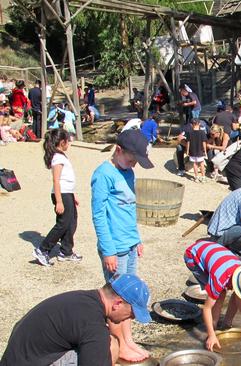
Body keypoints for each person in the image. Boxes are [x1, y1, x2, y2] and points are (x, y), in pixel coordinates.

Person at [91, 129, 154, 363]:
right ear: (118, 150)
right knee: (117, 299)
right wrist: (108, 250)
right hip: (114, 248)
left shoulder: (128, 173)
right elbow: (98, 215)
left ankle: (128, 341)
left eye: (136, 161)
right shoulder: (103, 174)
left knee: (129, 299)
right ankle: (120, 344)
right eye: (130, 159)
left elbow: (129, 209)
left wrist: (137, 238)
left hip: (129, 244)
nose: (133, 164)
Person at [0, 274, 152, 366]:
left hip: (18, 359)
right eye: (132, 313)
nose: (132, 318)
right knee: (110, 347)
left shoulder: (82, 298)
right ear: (117, 303)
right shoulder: (93, 326)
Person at [184, 240, 241, 351]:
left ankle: (226, 323)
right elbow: (206, 308)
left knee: (222, 293)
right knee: (219, 293)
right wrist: (211, 335)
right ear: (235, 282)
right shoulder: (219, 278)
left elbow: (239, 299)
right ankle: (213, 327)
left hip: (213, 252)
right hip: (192, 256)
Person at [32, 128, 81, 266]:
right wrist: (59, 201)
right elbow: (56, 180)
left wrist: (73, 195)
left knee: (71, 222)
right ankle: (42, 249)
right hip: (61, 194)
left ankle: (66, 251)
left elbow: (67, 179)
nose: (69, 144)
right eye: (68, 141)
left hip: (67, 193)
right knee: (62, 224)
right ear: (62, 142)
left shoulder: (61, 156)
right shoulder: (57, 158)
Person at [187, 118, 208, 183]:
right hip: (200, 150)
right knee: (202, 164)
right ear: (199, 124)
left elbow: (188, 142)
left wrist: (187, 150)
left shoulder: (189, 133)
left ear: (191, 125)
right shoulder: (202, 132)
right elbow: (204, 142)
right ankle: (203, 177)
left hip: (192, 150)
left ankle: (196, 177)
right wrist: (205, 151)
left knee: (195, 164)